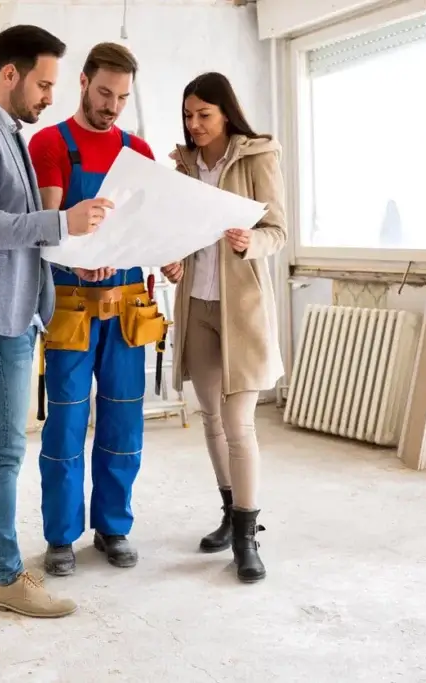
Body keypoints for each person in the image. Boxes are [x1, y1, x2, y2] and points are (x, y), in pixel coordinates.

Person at [0, 24, 114, 618]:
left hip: (6, 312)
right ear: (8, 75)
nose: (49, 96)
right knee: (6, 449)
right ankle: (8, 578)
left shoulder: (5, 130)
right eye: (42, 83)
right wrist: (62, 221)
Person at [28, 42, 161, 577]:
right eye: (104, 92)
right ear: (82, 82)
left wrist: (166, 258)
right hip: (70, 304)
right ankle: (61, 536)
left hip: (128, 304)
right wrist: (80, 265)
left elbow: (149, 227)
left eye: (122, 97)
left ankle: (114, 526)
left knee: (124, 419)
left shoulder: (140, 152)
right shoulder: (49, 144)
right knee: (65, 421)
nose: (112, 106)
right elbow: (48, 227)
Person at [160, 72, 286, 584]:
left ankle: (246, 539)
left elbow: (276, 231)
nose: (194, 125)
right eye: (188, 115)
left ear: (226, 113)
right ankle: (229, 514)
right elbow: (178, 234)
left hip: (243, 313)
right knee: (210, 418)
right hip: (198, 307)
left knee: (240, 425)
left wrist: (248, 244)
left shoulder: (256, 157)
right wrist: (173, 263)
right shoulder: (184, 166)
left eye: (203, 115)